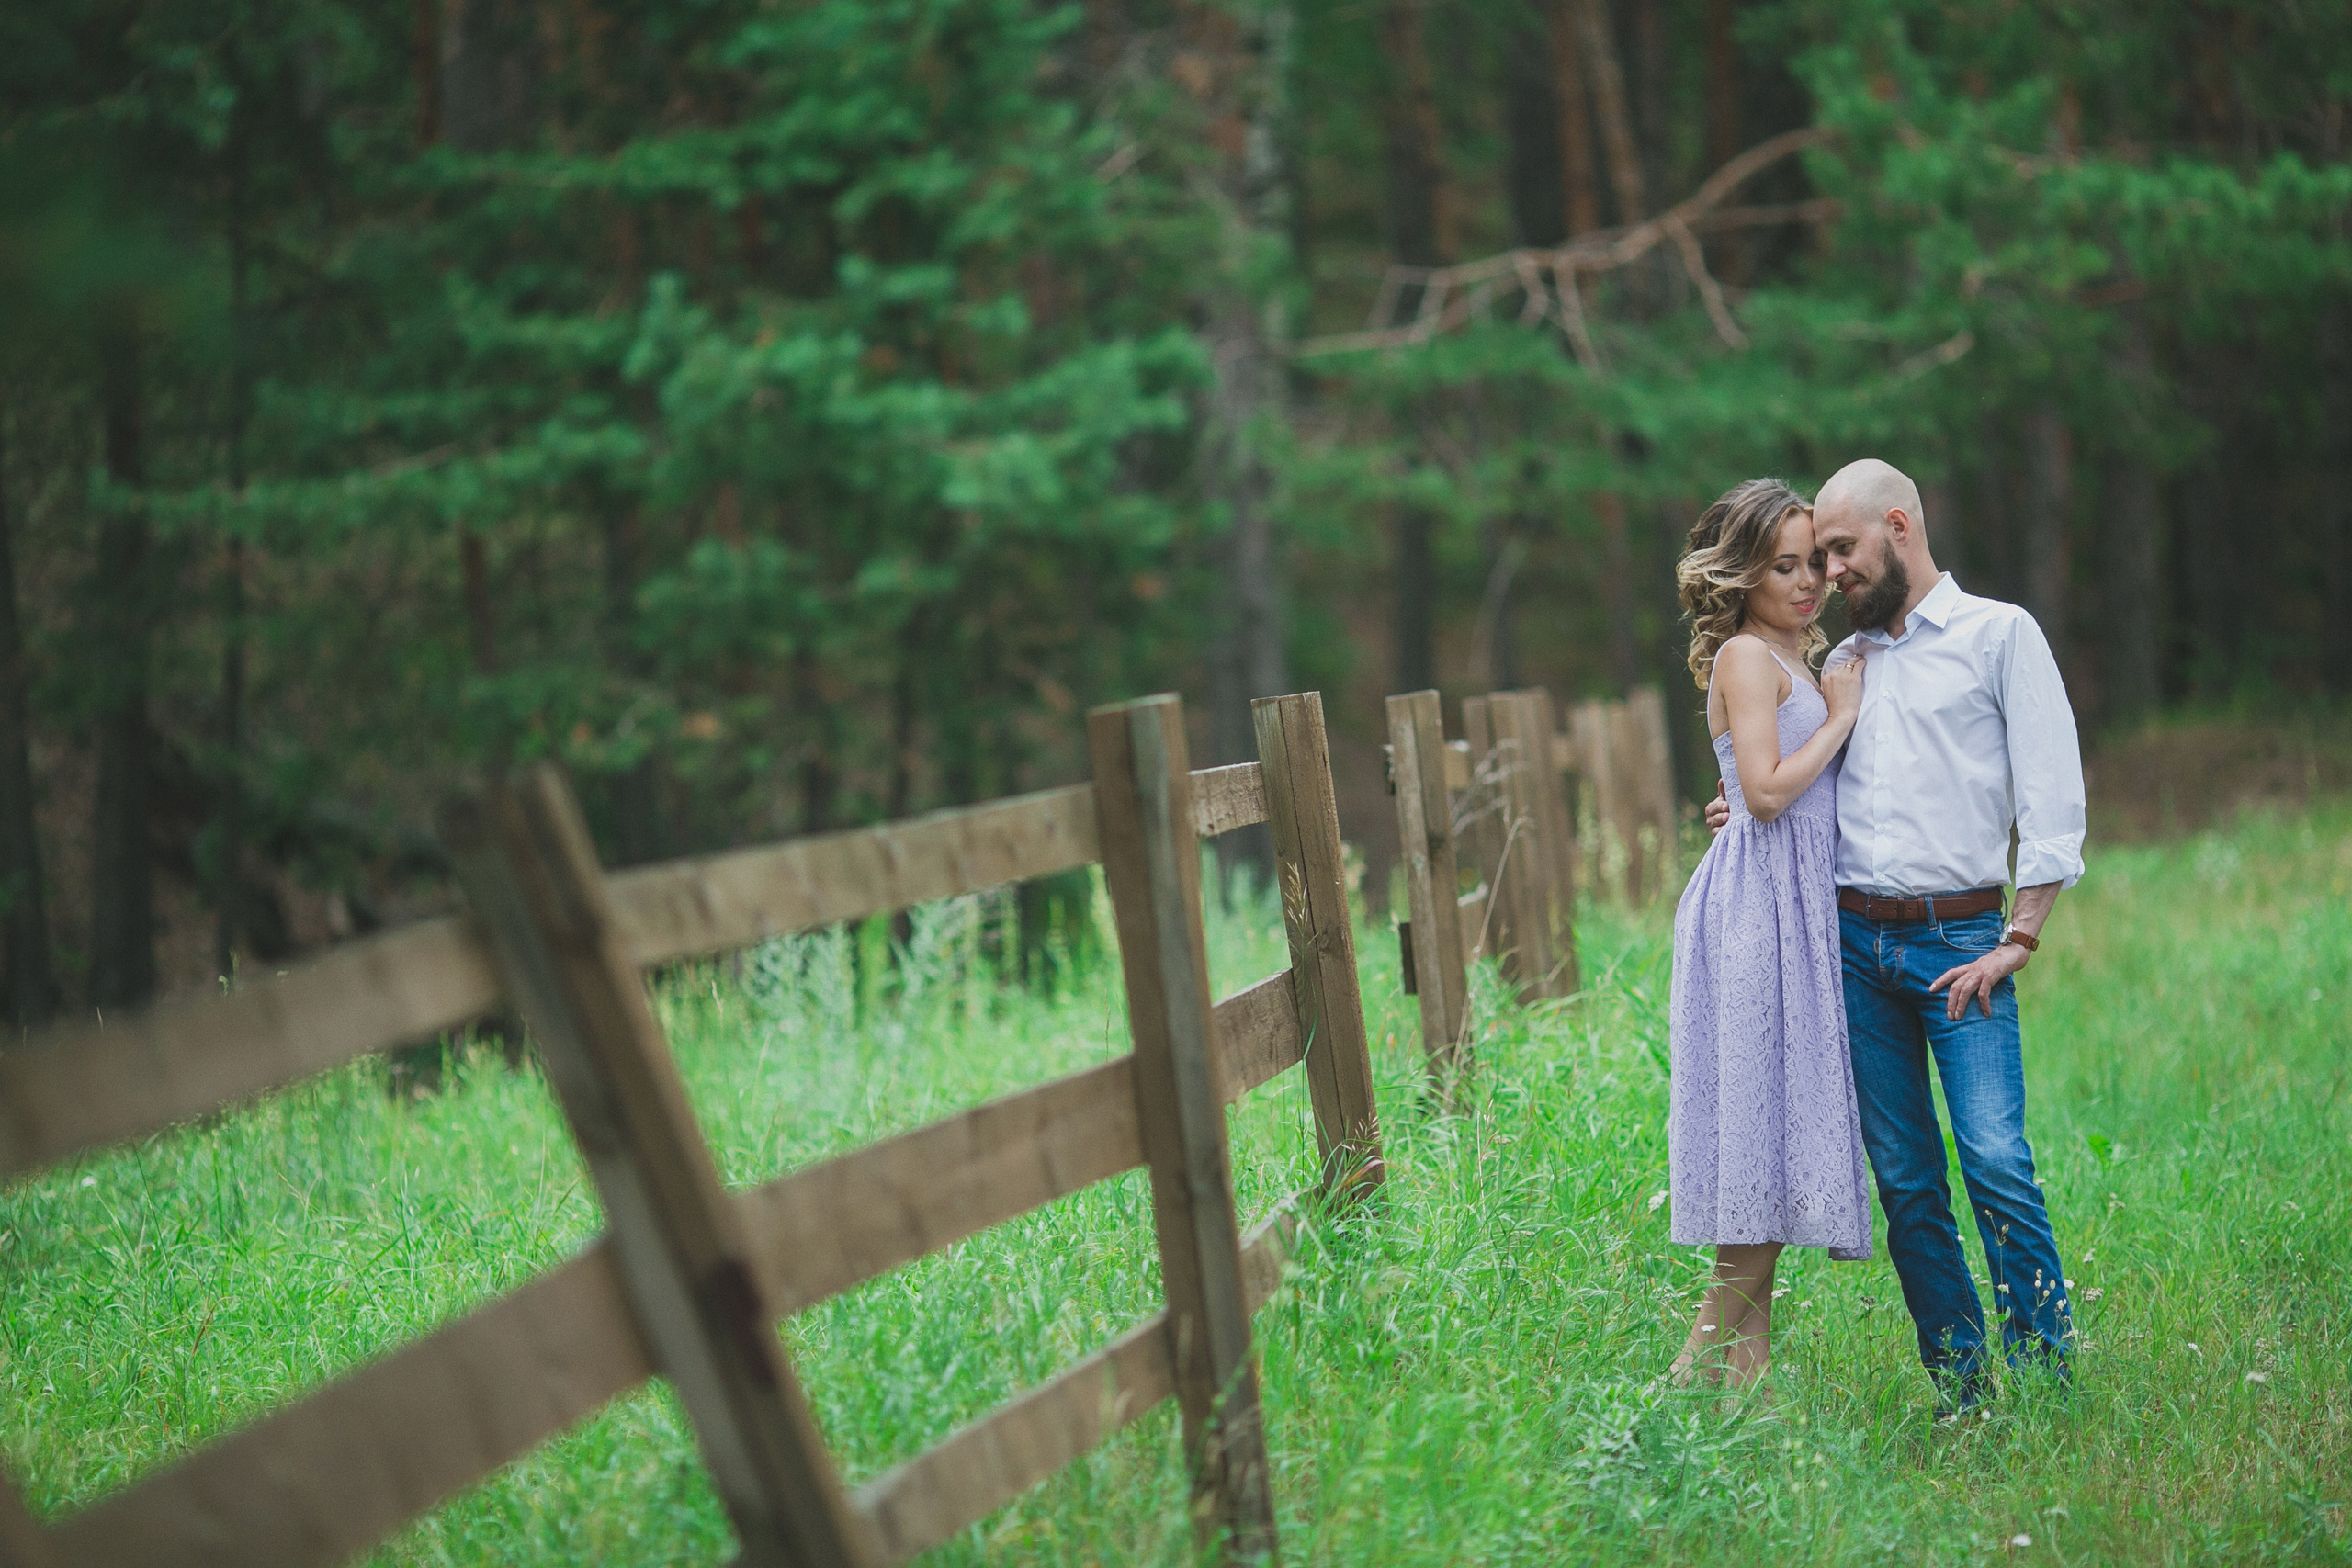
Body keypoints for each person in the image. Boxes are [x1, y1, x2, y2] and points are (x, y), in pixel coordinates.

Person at [1705, 458, 2086, 1417]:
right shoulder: (1839, 665)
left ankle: (2043, 1386)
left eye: (1840, 549)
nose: (1827, 572)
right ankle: (1964, 1393)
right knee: (1908, 1183)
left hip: (1963, 940)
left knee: (1994, 1156)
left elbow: (2053, 795)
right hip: (1850, 950)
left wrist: (2020, 936)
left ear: (1898, 526)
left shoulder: (1998, 636)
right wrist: (1739, 810)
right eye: (1813, 556)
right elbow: (1793, 779)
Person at [1667, 479, 1873, 1391]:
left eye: (1812, 562)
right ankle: (1675, 1391)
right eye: (1781, 565)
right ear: (1741, 574)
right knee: (1757, 1140)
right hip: (1757, 916)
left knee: (1776, 1145)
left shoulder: (1802, 657)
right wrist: (1837, 717)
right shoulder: (1749, 658)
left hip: (1792, 906)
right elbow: (1764, 792)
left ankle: (1739, 1411)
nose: (1806, 581)